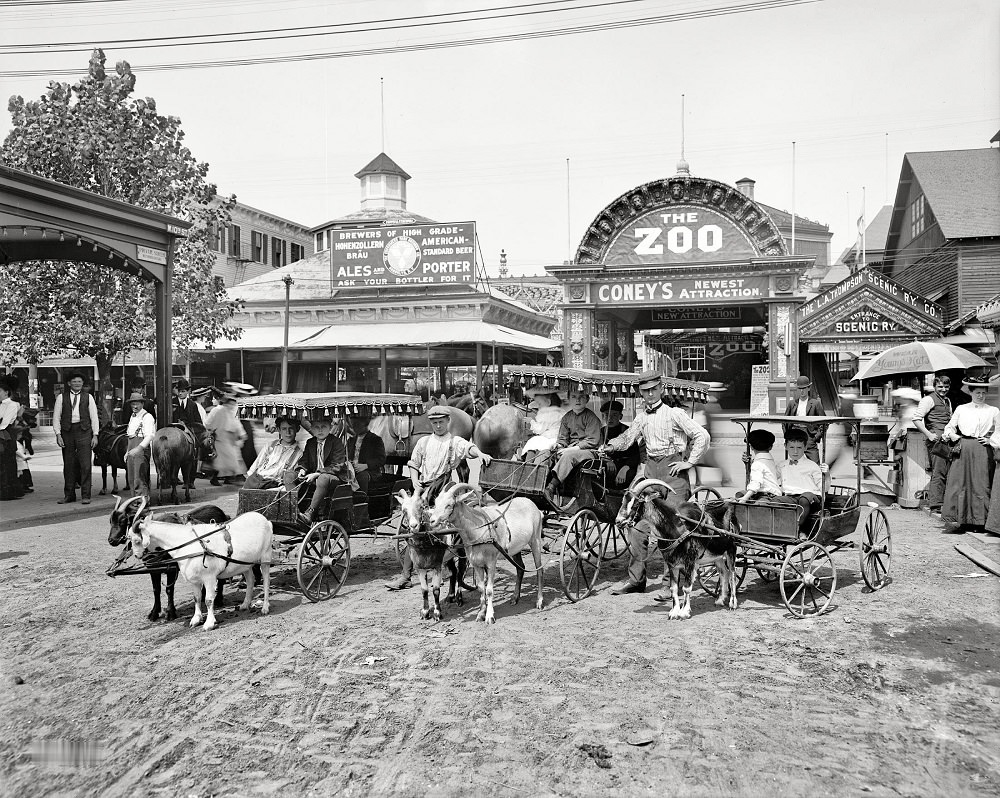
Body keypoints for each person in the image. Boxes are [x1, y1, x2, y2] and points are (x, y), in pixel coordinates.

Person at [599, 370, 710, 595]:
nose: (649, 394)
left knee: (673, 526)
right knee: (638, 527)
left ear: (661, 389)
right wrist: (609, 446)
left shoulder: (674, 414)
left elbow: (702, 436)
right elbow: (627, 438)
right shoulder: (641, 418)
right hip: (651, 472)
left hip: (673, 473)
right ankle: (637, 580)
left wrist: (689, 463)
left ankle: (673, 585)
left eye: (653, 390)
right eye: (645, 391)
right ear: (640, 392)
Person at [385, 404, 493, 591]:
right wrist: (415, 480)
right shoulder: (424, 442)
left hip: (442, 489)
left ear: (448, 421)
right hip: (423, 489)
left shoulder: (454, 441)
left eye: (441, 422)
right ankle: (405, 576)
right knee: (413, 529)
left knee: (447, 528)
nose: (438, 426)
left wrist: (481, 453)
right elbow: (413, 463)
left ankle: (448, 568)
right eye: (434, 423)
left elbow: (469, 448)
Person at [940, 376, 999, 534]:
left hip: (982, 449)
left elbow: (999, 429)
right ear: (971, 392)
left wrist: (991, 439)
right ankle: (962, 520)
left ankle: (980, 522)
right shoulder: (962, 409)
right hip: (964, 447)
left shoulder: (993, 410)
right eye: (977, 392)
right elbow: (950, 427)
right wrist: (953, 436)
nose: (980, 396)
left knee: (981, 484)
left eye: (983, 393)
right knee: (959, 483)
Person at [545, 387, 602, 504]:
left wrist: (569, 449)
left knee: (568, 455)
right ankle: (540, 483)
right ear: (569, 399)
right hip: (571, 449)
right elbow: (563, 439)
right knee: (546, 454)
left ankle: (551, 487)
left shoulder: (592, 418)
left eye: (581, 397)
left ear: (587, 399)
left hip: (589, 452)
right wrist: (559, 446)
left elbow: (592, 441)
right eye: (574, 397)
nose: (577, 400)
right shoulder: (566, 417)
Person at [296, 415, 352, 526]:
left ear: (330, 427)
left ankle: (310, 513)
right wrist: (302, 469)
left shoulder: (336, 442)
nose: (320, 430)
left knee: (323, 478)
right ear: (311, 428)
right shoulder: (310, 443)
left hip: (334, 478)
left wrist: (317, 474)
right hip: (313, 476)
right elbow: (304, 460)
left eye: (324, 426)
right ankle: (294, 508)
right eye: (316, 427)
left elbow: (338, 465)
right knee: (290, 475)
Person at [52, 371, 99, 505]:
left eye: (79, 381)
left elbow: (94, 417)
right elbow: (56, 417)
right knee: (69, 465)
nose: (77, 384)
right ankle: (69, 495)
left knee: (85, 465)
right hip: (67, 432)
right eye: (74, 381)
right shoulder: (61, 397)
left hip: (84, 431)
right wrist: (58, 434)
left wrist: (95, 435)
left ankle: (86, 495)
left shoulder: (88, 397)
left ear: (82, 383)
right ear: (69, 383)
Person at [911, 374, 954, 517]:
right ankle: (936, 505)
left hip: (946, 439)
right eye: (940, 386)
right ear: (935, 386)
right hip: (935, 440)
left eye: (946, 386)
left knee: (945, 471)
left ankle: (941, 501)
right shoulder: (928, 399)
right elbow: (916, 419)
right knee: (939, 472)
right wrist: (928, 434)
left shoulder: (947, 400)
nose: (943, 389)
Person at [779, 428, 827, 533]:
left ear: (805, 447)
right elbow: (770, 477)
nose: (795, 451)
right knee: (776, 500)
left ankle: (796, 528)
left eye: (799, 448)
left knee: (804, 498)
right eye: (791, 447)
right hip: (791, 498)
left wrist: (826, 474)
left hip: (811, 499)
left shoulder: (812, 465)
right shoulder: (782, 465)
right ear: (785, 447)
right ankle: (778, 528)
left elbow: (824, 487)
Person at [244, 415, 304, 490]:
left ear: (297, 429)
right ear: (278, 429)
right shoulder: (270, 446)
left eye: (291, 428)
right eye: (284, 429)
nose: (288, 432)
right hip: (257, 480)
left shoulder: (299, 453)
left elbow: (294, 476)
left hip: (275, 485)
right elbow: (256, 464)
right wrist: (248, 480)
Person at [783, 375, 826, 464]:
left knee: (815, 463)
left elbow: (824, 422)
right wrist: (787, 435)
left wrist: (816, 436)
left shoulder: (815, 403)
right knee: (794, 462)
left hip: (809, 435)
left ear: (808, 388)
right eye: (799, 388)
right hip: (795, 432)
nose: (802, 391)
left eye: (804, 388)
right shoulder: (792, 403)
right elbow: (784, 421)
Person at [205, 394, 247, 486]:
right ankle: (215, 478)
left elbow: (236, 423)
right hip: (218, 437)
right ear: (226, 403)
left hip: (228, 438)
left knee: (230, 460)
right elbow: (208, 423)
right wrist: (211, 431)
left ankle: (228, 478)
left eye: (233, 404)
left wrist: (242, 434)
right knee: (220, 461)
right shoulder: (216, 410)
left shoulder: (230, 412)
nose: (232, 406)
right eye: (230, 404)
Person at [600, 399, 641, 487]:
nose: (610, 418)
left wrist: (626, 467)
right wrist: (607, 460)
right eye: (607, 415)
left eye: (614, 415)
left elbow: (635, 454)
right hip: (607, 465)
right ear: (603, 417)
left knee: (628, 477)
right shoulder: (600, 432)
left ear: (621, 416)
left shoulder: (627, 432)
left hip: (625, 466)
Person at [124, 391, 156, 499]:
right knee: (131, 479)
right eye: (133, 404)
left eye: (137, 403)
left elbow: (150, 436)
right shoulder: (132, 417)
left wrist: (139, 448)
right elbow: (130, 435)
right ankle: (134, 502)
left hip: (141, 449)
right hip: (131, 448)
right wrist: (127, 452)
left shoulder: (147, 417)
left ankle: (142, 504)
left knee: (140, 479)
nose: (135, 406)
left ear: (142, 404)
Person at [735, 428, 782, 503]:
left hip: (765, 495)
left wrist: (744, 498)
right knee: (739, 494)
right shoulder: (769, 460)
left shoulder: (757, 463)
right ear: (771, 447)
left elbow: (756, 483)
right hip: (773, 493)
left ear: (751, 447)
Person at [347, 413, 386, 494]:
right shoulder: (350, 440)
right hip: (352, 471)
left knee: (362, 476)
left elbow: (381, 459)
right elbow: (346, 456)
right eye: (353, 425)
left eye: (357, 425)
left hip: (370, 472)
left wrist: (366, 465)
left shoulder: (375, 440)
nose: (354, 428)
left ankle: (361, 499)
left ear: (365, 424)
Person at [0, 375, 25, 501]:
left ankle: (8, 491)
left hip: (6, 436)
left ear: (6, 392)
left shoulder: (12, 404)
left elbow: (5, 423)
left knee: (7, 464)